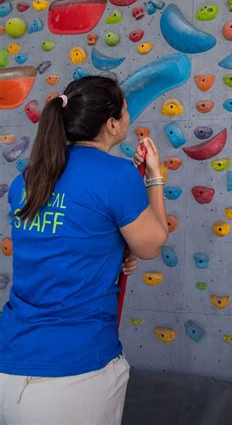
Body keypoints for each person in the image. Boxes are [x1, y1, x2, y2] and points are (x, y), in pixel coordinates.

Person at [0, 76, 168, 425]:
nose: (127, 118)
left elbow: (64, 245)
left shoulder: (28, 179)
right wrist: (153, 177)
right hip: (75, 370)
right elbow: (152, 244)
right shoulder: (118, 175)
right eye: (125, 111)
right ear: (111, 124)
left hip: (9, 360)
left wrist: (115, 253)